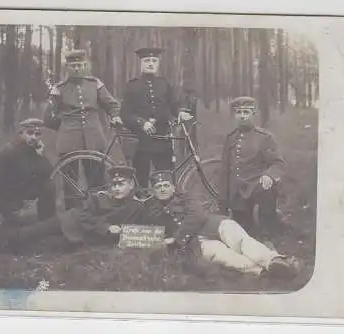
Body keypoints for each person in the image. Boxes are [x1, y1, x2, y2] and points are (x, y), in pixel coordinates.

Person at [0, 166, 148, 258]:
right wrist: (106, 227)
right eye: (113, 184)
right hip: (67, 222)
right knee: (27, 233)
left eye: (121, 184)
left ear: (131, 184)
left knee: (36, 247)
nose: (116, 188)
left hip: (80, 238)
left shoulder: (136, 207)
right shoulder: (99, 197)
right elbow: (84, 216)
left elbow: (145, 230)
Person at [144, 170, 300, 277]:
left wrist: (177, 238)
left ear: (173, 187)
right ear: (153, 191)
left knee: (241, 241)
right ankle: (264, 272)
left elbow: (198, 215)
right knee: (224, 256)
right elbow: (146, 233)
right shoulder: (152, 211)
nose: (163, 189)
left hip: (214, 225)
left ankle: (274, 260)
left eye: (166, 186)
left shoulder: (186, 197)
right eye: (158, 187)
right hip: (196, 241)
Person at [43, 49, 125, 209]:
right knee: (70, 185)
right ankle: (72, 218)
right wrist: (65, 125)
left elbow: (111, 104)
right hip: (68, 140)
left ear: (86, 66)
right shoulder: (59, 88)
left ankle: (99, 213)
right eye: (73, 65)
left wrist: (114, 115)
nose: (77, 68)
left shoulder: (95, 84)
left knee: (97, 180)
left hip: (94, 136)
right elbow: (48, 118)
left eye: (80, 65)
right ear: (67, 67)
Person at [120, 47, 192, 187]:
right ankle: (142, 205)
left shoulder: (164, 84)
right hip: (141, 141)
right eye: (147, 61)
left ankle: (164, 207)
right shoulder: (132, 86)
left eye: (154, 60)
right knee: (141, 180)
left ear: (158, 64)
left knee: (165, 178)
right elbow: (125, 113)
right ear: (141, 63)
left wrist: (180, 113)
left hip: (162, 139)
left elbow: (173, 105)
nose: (151, 63)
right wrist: (142, 123)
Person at [218, 96, 286, 236]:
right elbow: (225, 171)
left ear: (253, 114)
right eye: (239, 112)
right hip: (237, 191)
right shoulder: (230, 138)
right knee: (243, 231)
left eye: (246, 112)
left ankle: (269, 234)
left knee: (267, 192)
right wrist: (223, 200)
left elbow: (278, 163)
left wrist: (269, 175)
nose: (242, 116)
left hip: (257, 186)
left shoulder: (265, 137)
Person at [0, 118, 56, 232]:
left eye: (37, 134)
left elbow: (49, 173)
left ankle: (44, 222)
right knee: (3, 239)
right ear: (21, 134)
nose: (33, 138)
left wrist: (41, 155)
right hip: (7, 205)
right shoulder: (8, 153)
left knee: (49, 185)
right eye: (29, 133)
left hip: (23, 203)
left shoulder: (33, 152)